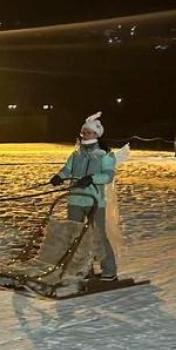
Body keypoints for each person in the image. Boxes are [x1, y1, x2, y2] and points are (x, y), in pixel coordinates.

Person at [49, 112, 118, 281]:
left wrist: (92, 178)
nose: (86, 134)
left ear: (97, 134)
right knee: (75, 236)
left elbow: (108, 176)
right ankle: (83, 270)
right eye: (84, 131)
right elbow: (67, 169)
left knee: (98, 236)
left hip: (95, 201)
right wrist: (59, 176)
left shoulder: (105, 155)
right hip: (75, 199)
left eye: (90, 132)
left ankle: (109, 270)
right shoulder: (76, 154)